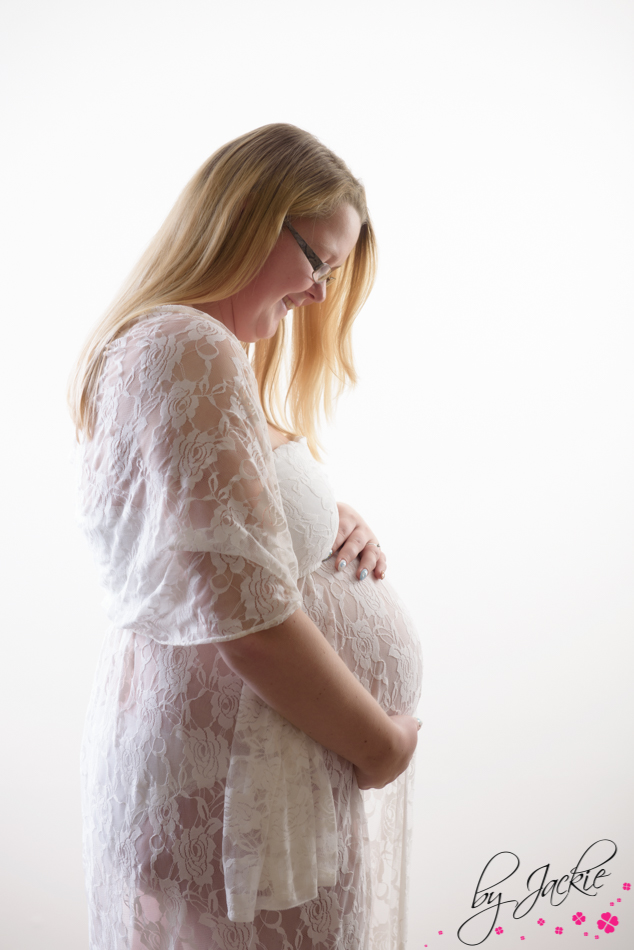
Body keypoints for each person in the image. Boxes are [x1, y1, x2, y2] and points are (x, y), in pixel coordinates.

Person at [69, 123, 423, 950]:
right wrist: (380, 749)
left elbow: (200, 541)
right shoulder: (186, 343)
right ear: (247, 217)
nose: (320, 295)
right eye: (317, 260)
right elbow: (252, 628)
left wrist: (323, 514)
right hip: (240, 790)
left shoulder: (172, 344)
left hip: (248, 779)